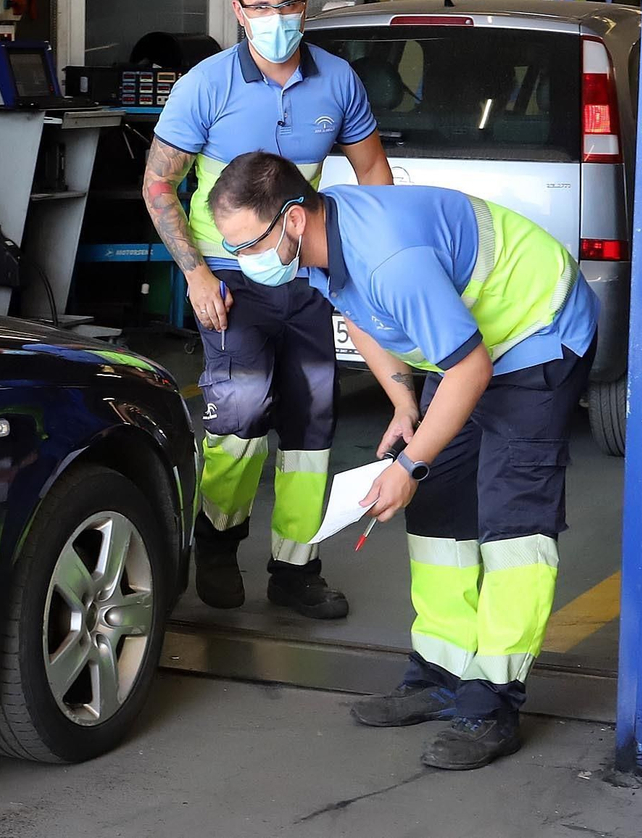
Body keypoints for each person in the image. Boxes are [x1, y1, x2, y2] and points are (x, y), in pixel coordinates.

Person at [207, 150, 597, 771]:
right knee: (439, 507)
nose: (242, 260)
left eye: (248, 244)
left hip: (535, 332)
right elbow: (359, 316)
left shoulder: (388, 258)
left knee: (512, 522)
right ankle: (441, 674)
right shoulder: (322, 243)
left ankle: (492, 702)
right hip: (469, 341)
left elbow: (470, 369)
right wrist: (404, 405)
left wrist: (410, 464)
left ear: (293, 219)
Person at [142, 0, 393, 619]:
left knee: (312, 418)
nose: (276, 17)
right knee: (242, 412)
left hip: (309, 270)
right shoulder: (205, 85)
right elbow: (159, 184)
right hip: (228, 273)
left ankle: (296, 565)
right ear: (239, 11)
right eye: (261, 6)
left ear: (304, 3)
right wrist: (196, 272)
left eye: (287, 4)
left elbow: (373, 173)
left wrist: (368, 261)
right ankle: (217, 543)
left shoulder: (337, 81)